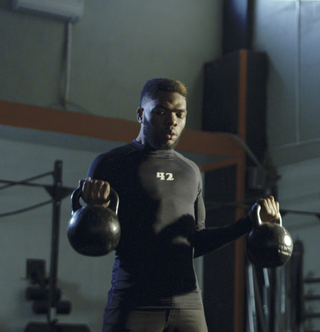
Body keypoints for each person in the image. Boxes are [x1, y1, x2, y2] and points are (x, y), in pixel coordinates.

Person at [78, 78, 281, 332]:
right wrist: (95, 211)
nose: (172, 121)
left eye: (179, 114)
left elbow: (195, 242)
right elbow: (90, 240)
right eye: (161, 111)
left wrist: (249, 222)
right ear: (141, 114)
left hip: (188, 307)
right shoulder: (111, 163)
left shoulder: (190, 171)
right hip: (134, 304)